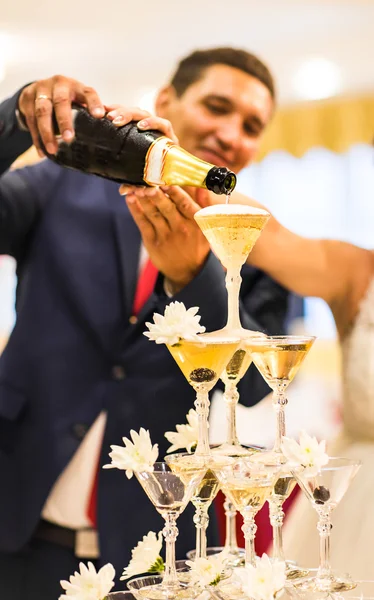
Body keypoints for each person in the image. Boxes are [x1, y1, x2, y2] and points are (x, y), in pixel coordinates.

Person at [0, 47, 289, 598]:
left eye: (252, 125)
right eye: (217, 106)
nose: (232, 133)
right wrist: (14, 118)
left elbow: (254, 385)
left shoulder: (259, 239)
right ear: (165, 102)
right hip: (14, 521)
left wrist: (193, 275)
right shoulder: (62, 183)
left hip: (153, 551)